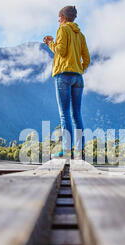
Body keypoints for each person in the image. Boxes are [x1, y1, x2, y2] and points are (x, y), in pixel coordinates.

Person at [43, 5, 90, 159]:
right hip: (78, 77)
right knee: (77, 114)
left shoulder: (63, 29)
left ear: (63, 18)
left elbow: (61, 51)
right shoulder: (80, 35)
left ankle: (67, 151)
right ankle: (79, 151)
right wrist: (79, 69)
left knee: (64, 115)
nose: (58, 20)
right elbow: (87, 59)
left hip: (63, 75)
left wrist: (50, 43)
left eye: (59, 17)